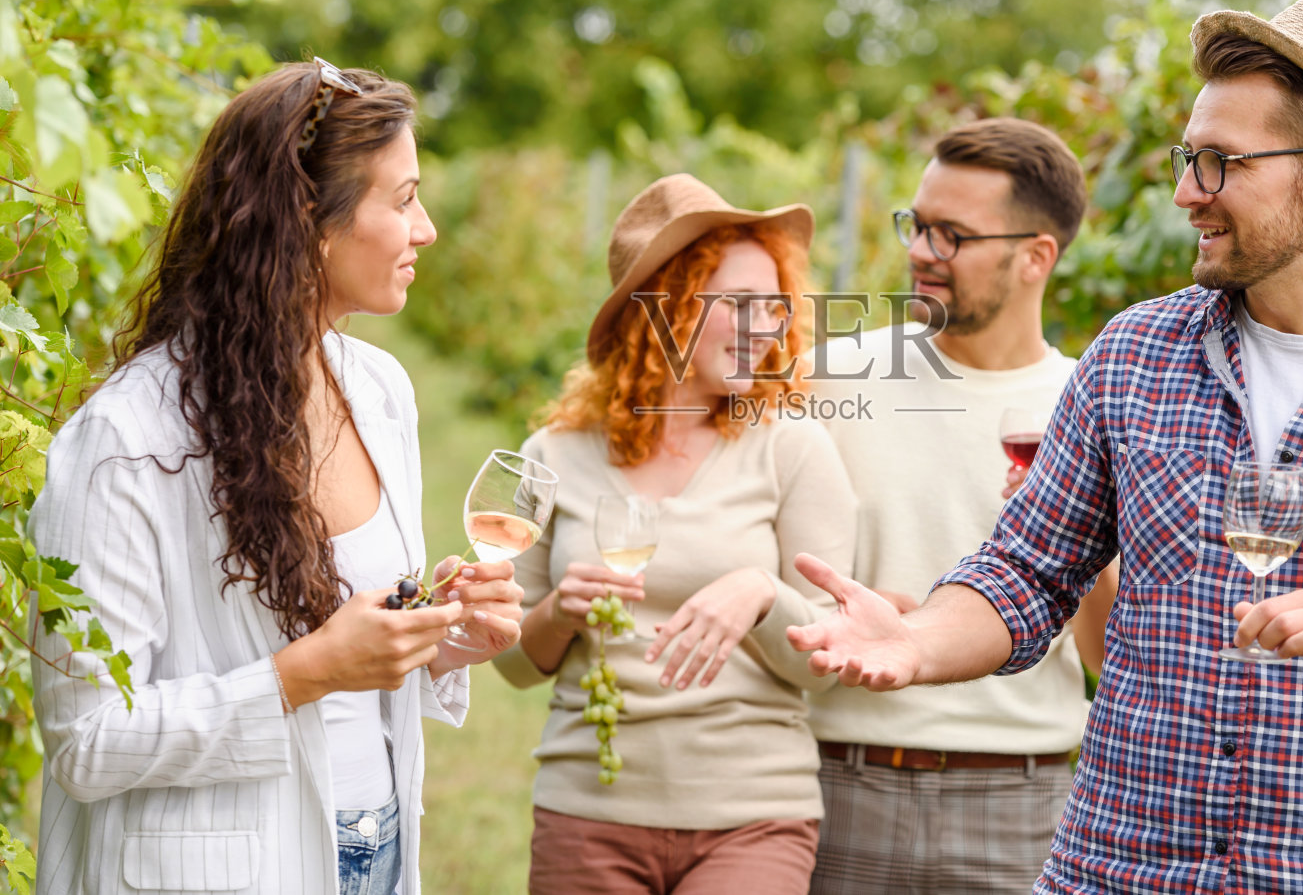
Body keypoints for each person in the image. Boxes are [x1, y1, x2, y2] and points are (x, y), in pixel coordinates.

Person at [789, 0, 1303, 893]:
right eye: (1185, 158)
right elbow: (1026, 573)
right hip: (1112, 872)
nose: (1184, 192)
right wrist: (917, 639)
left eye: (1216, 163)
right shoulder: (1135, 352)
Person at [28, 58, 524, 895]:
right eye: (404, 200)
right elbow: (87, 741)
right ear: (308, 222)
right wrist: (304, 673)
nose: (428, 229)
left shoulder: (379, 391)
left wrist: (440, 640)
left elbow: (358, 667)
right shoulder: (128, 439)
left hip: (375, 850)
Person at [492, 174, 856, 895]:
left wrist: (760, 594)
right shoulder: (551, 455)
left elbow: (826, 660)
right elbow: (513, 663)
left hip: (753, 815)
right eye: (739, 304)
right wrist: (559, 611)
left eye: (774, 307)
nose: (765, 328)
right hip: (587, 809)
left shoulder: (793, 448)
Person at [803, 118, 1117, 895]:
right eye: (916, 225)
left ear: (1035, 256)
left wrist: (1080, 537)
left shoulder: (1093, 404)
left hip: (1024, 803)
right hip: (840, 786)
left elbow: (1107, 658)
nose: (920, 250)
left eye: (952, 235)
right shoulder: (827, 380)